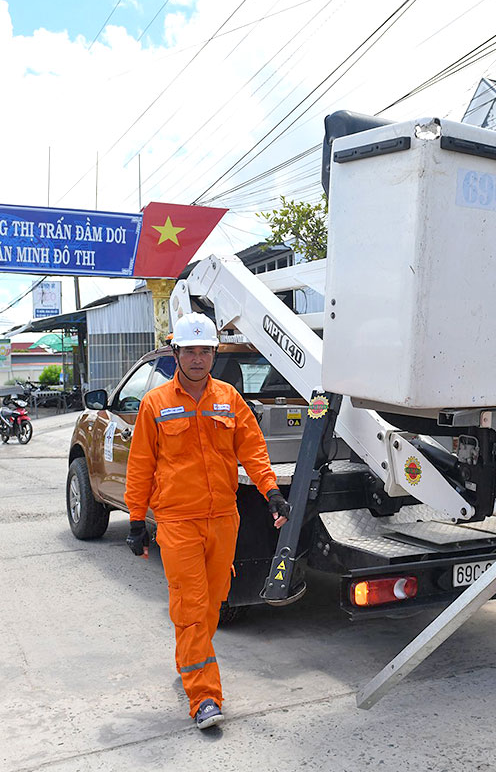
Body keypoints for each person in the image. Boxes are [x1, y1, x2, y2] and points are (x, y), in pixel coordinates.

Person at [123, 312, 290, 730]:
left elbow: (252, 449)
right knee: (192, 607)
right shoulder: (155, 404)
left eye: (205, 351)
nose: (197, 359)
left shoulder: (229, 399)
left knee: (213, 603)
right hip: (178, 523)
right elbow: (140, 465)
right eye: (190, 350)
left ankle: (189, 663)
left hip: (223, 521)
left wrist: (271, 491)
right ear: (175, 352)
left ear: (213, 354)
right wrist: (136, 518)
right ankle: (204, 697)